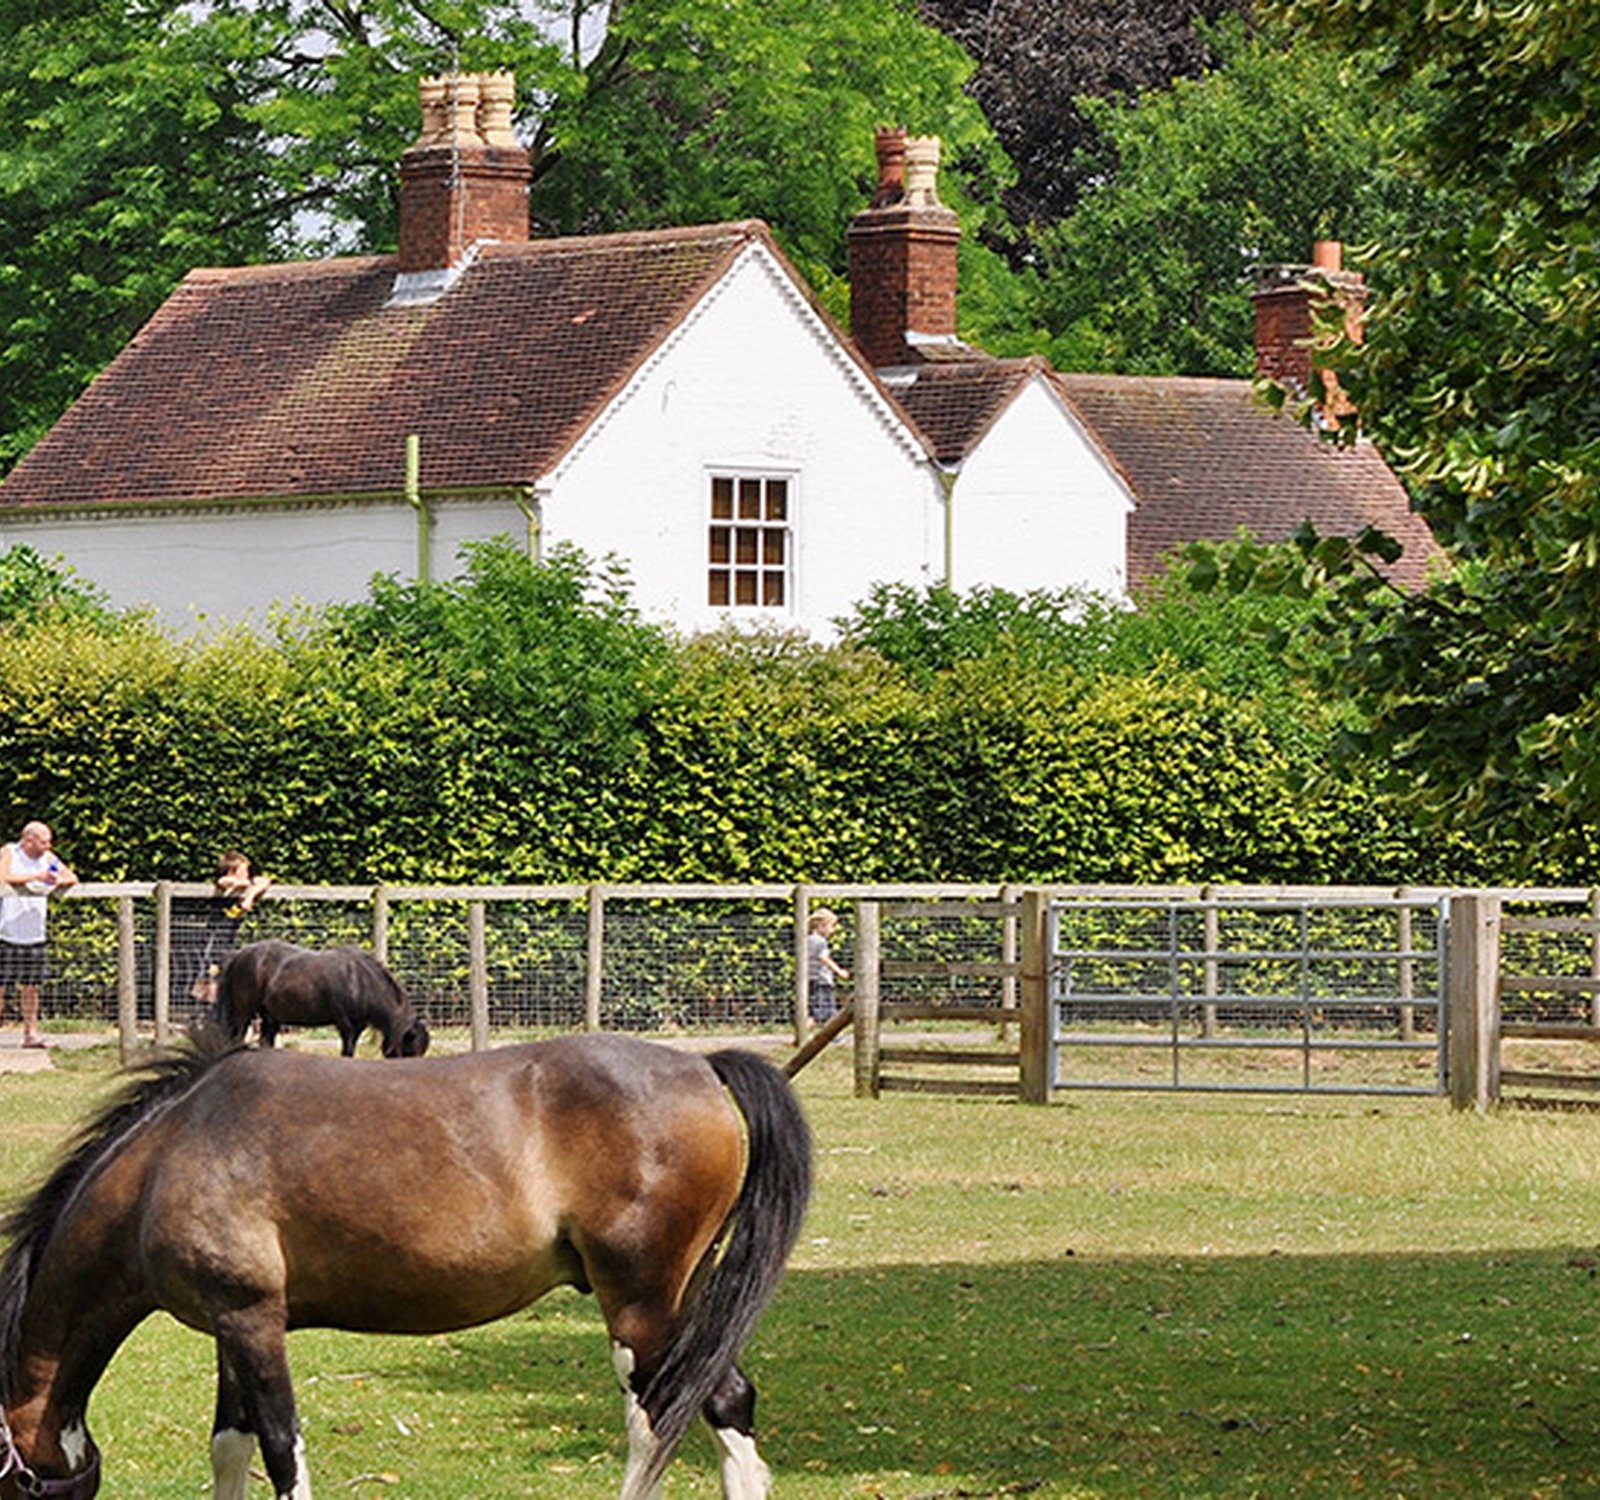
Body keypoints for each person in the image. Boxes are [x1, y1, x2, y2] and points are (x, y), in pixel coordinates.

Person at [0, 820, 79, 1048]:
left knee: (31, 986)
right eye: (44, 841)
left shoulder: (48, 858)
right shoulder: (10, 852)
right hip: (5, 932)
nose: (48, 845)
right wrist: (35, 877)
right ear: (29, 840)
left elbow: (71, 877)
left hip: (35, 933)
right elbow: (3, 877)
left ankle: (31, 1034)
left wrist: (56, 880)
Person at [181, 851, 272, 1007]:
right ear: (233, 872)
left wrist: (250, 896)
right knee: (209, 981)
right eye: (244, 871)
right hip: (214, 940)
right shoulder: (225, 887)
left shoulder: (243, 890)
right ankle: (203, 1015)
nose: (247, 875)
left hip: (229, 940)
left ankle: (215, 1015)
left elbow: (265, 881)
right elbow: (223, 881)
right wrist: (247, 885)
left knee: (225, 982)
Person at [806, 907, 850, 1025]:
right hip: (822, 980)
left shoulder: (808, 940)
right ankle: (802, 1033)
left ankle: (832, 1036)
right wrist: (839, 971)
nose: (833, 930)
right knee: (820, 1013)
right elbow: (824, 958)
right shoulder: (820, 942)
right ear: (822, 925)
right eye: (832, 926)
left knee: (826, 1012)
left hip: (812, 978)